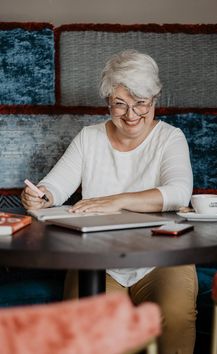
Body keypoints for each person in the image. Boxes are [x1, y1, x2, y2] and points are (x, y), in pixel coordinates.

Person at [21, 49, 198, 354]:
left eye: (140, 103)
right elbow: (56, 185)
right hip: (97, 262)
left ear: (155, 99)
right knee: (87, 324)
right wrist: (41, 196)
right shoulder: (89, 138)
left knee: (177, 316)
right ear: (107, 103)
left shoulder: (170, 138)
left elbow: (179, 192)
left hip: (162, 258)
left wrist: (116, 201)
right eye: (120, 104)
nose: (131, 115)